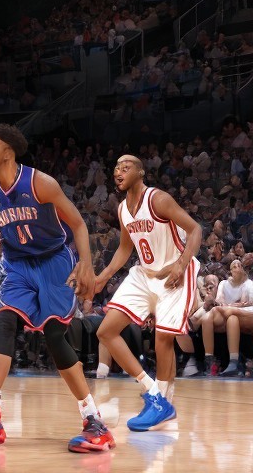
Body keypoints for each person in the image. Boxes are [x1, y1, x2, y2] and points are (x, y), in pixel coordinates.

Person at [0, 125, 115, 453]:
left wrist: (86, 263)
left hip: (54, 261)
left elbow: (79, 224)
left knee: (55, 336)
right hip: (18, 264)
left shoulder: (41, 183)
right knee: (6, 320)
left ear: (8, 152)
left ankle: (93, 419)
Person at [94, 155, 202, 431]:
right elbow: (124, 249)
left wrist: (180, 264)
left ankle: (162, 403)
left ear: (140, 173)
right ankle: (155, 395)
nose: (118, 171)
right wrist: (102, 277)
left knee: (163, 338)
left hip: (175, 272)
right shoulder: (122, 209)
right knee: (106, 331)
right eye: (116, 167)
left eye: (126, 167)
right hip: (145, 273)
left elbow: (195, 229)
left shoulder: (158, 199)